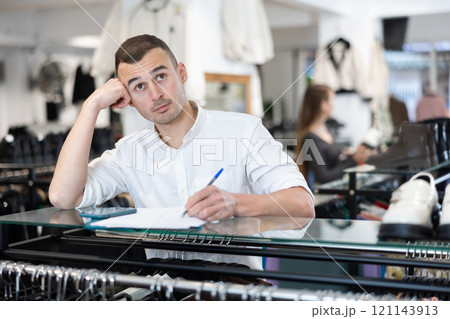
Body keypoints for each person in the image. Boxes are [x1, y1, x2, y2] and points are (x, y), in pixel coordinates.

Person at [49, 34, 314, 225]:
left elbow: (302, 205)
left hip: (234, 286)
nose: (155, 94)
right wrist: (91, 107)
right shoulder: (128, 152)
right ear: (126, 97)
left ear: (182, 73)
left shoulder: (244, 131)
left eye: (161, 77)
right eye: (139, 86)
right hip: (162, 289)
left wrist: (236, 204)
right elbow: (63, 196)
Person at [295, 84, 374, 186]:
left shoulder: (326, 129)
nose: (334, 105)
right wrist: (353, 160)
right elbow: (324, 177)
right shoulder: (310, 139)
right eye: (332, 101)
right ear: (323, 104)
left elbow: (334, 162)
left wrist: (352, 155)